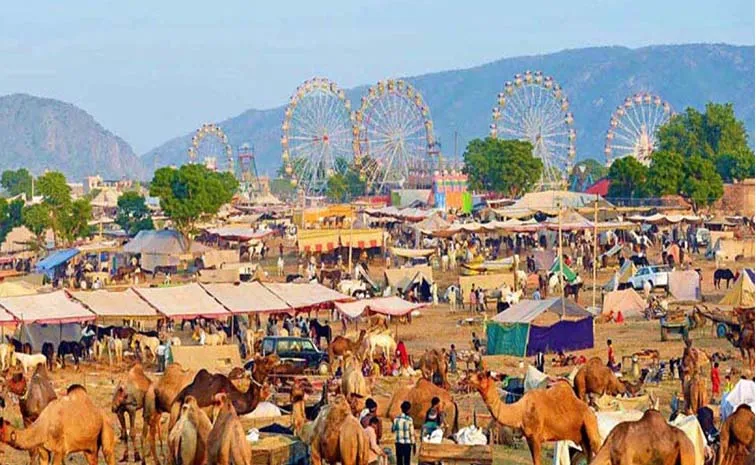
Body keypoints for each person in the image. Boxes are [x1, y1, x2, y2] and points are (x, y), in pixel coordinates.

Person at [392, 401, 415, 465]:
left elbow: (393, 429)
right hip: (407, 444)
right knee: (407, 461)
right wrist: (413, 444)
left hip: (398, 443)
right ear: (408, 410)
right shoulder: (410, 420)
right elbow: (412, 433)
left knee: (399, 461)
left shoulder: (396, 419)